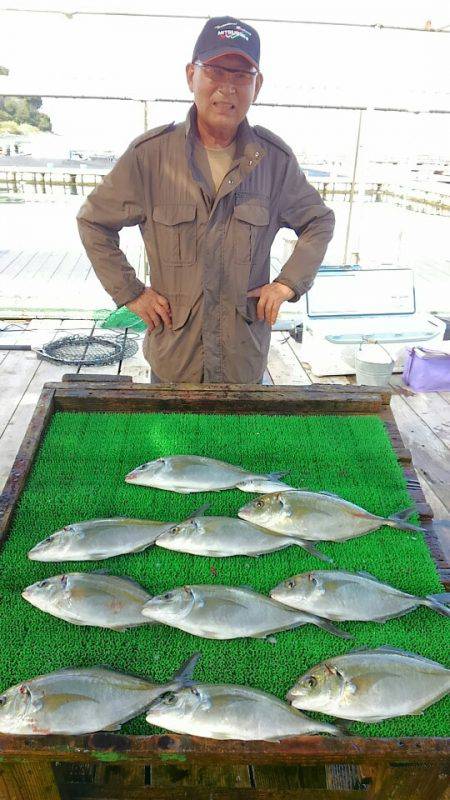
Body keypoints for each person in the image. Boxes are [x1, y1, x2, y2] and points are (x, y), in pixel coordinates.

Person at [77, 16, 335, 383]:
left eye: (241, 75)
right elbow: (93, 222)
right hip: (174, 359)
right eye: (215, 71)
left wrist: (287, 284)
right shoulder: (150, 156)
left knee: (241, 422)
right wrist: (131, 292)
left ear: (257, 85)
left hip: (242, 360)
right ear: (191, 76)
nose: (227, 88)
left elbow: (318, 221)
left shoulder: (275, 161)